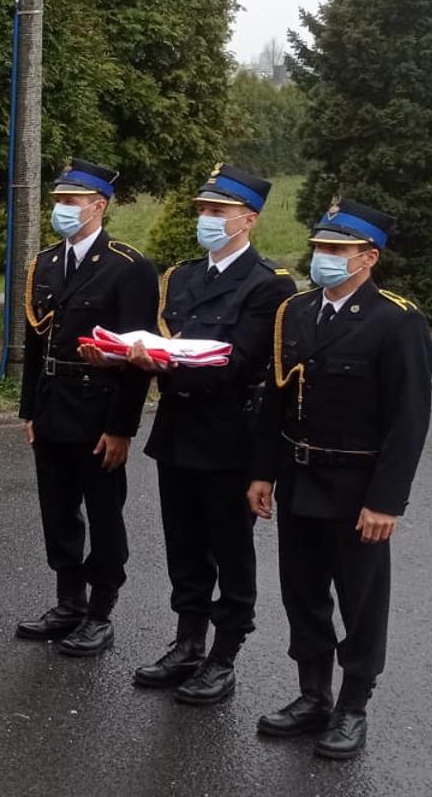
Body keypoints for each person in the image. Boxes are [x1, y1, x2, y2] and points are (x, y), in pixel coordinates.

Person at [248, 198, 431, 760]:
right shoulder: (297, 312)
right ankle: (312, 696)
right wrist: (262, 474)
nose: (323, 258)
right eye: (319, 248)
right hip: (300, 478)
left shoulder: (397, 321)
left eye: (336, 250)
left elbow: (409, 421)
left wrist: (386, 502)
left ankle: (353, 706)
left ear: (368, 257)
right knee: (303, 594)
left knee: (361, 600)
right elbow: (275, 403)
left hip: (358, 490)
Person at [128, 164, 298, 704]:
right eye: (202, 210)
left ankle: (224, 656)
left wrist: (162, 358)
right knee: (184, 546)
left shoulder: (269, 286)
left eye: (217, 212)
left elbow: (241, 363)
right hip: (178, 431)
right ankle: (187, 643)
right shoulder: (182, 276)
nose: (205, 219)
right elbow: (170, 340)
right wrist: (134, 356)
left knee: (230, 550)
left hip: (229, 438)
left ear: (247, 220)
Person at [13, 159, 158, 657]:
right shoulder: (48, 262)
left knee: (103, 512)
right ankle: (68, 601)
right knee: (57, 509)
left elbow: (139, 355)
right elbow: (35, 343)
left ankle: (100, 610)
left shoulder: (128, 266)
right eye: (58, 201)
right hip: (54, 402)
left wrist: (121, 428)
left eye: (71, 202)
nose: (62, 210)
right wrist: (28, 410)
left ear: (99, 205)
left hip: (99, 407)